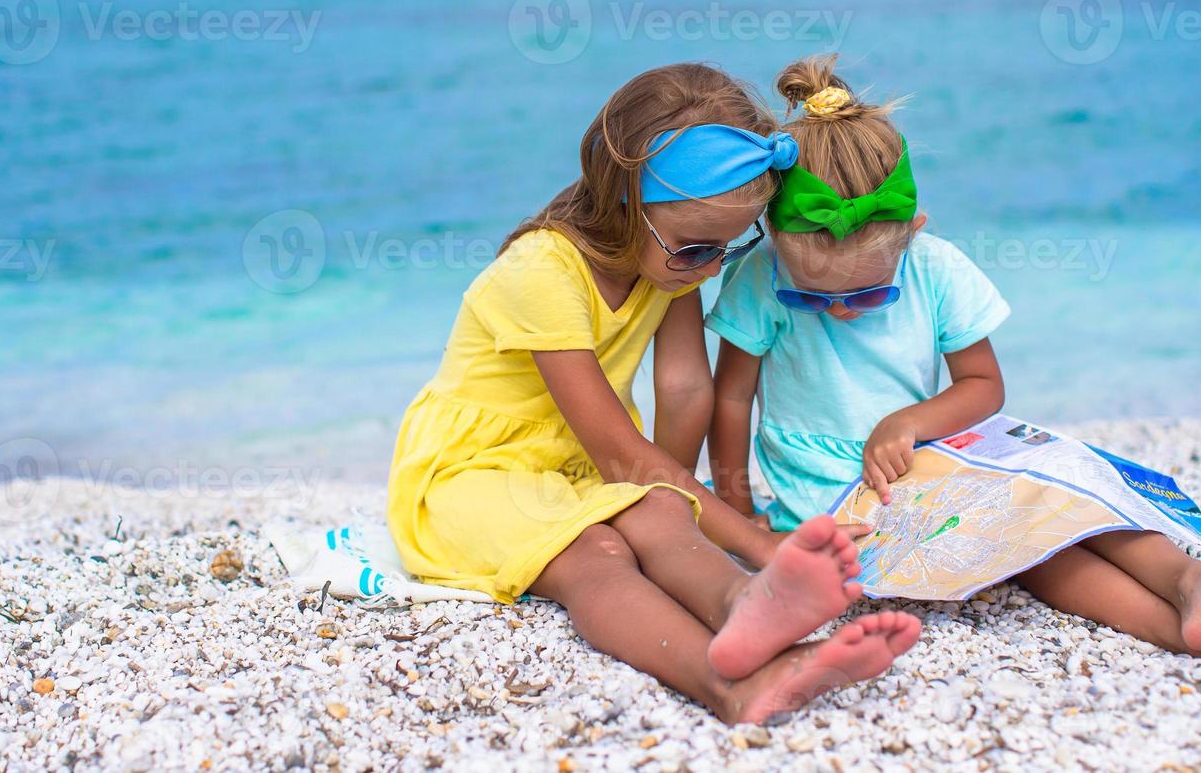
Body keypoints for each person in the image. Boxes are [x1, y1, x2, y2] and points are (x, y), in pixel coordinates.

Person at [706, 55, 1201, 662]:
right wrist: (743, 517)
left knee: (1063, 499)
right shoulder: (760, 278)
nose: (839, 311)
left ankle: (1193, 583)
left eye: (868, 294)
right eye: (812, 296)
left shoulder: (935, 268)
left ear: (913, 231)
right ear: (777, 246)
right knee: (1029, 547)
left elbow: (981, 385)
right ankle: (1178, 628)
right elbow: (731, 397)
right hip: (835, 497)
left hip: (929, 454)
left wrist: (908, 423)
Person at [387, 63, 920, 724]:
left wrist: (670, 504)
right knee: (597, 553)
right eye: (697, 251)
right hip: (468, 477)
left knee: (660, 513)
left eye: (725, 253)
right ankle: (727, 686)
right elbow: (621, 457)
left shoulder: (669, 261)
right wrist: (755, 541)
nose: (706, 269)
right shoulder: (542, 272)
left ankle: (746, 611)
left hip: (577, 469)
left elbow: (685, 387)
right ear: (624, 201)